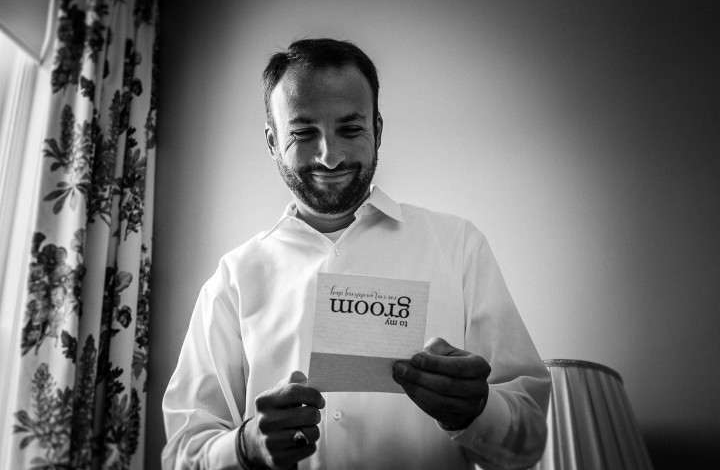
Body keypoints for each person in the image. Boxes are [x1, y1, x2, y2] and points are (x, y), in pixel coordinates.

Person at [162, 38, 551, 470]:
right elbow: (182, 454)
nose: (330, 157)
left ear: (378, 131)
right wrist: (244, 447)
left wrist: (478, 411)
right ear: (272, 142)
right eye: (303, 133)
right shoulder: (234, 278)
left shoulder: (459, 247)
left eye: (350, 129)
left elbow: (530, 441)